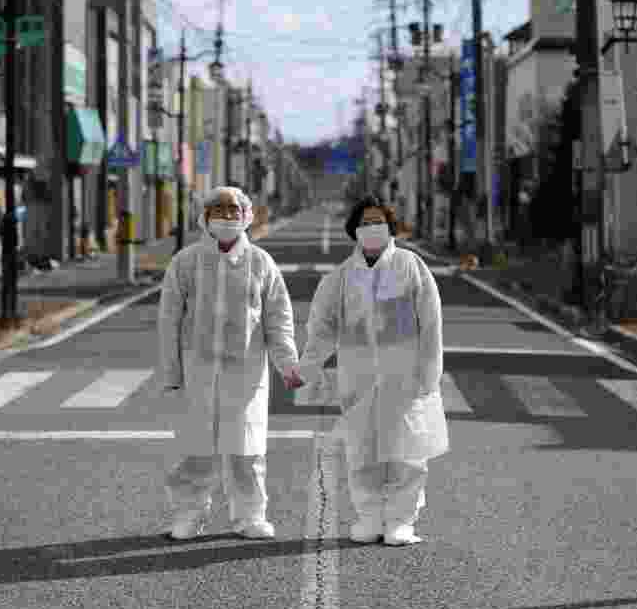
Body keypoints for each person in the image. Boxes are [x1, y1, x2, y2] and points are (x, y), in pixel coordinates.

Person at [299, 195, 449, 546]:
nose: (371, 228)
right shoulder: (340, 278)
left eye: (378, 221)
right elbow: (322, 328)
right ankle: (369, 517)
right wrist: (309, 366)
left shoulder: (411, 267)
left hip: (406, 377)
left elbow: (431, 323)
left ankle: (401, 521)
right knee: (362, 451)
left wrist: (429, 372)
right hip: (358, 378)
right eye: (365, 222)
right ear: (354, 230)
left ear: (390, 226)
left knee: (407, 453)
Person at [157, 186, 304, 540]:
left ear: (247, 216)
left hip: (247, 371)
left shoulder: (261, 263)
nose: (227, 216)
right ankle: (188, 515)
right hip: (198, 369)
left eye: (234, 209)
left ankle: (251, 515)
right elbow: (169, 319)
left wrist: (288, 364)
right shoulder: (186, 261)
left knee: (246, 449)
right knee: (195, 449)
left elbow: (277, 319)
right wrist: (172, 371)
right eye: (218, 209)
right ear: (204, 217)